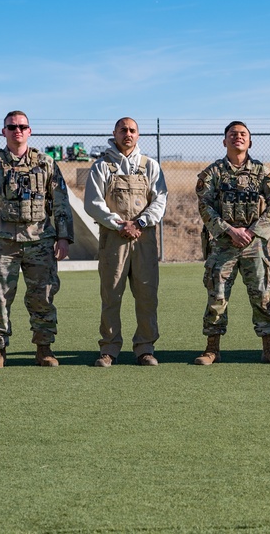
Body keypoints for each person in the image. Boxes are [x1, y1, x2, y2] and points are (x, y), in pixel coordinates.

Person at [0, 110, 74, 368]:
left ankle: (44, 348)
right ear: (3, 131)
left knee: (43, 295)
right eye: (12, 126)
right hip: (1, 242)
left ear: (30, 130)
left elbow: (60, 203)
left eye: (22, 126)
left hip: (40, 241)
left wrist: (64, 237)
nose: (18, 130)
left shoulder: (46, 163)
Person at [194, 121, 270, 365]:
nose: (238, 137)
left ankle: (269, 349)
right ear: (224, 141)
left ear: (250, 141)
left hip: (254, 244)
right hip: (224, 244)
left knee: (262, 296)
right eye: (232, 134)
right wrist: (229, 230)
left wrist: (253, 231)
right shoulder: (212, 173)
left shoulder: (263, 173)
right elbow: (204, 206)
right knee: (217, 296)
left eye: (243, 134)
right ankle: (212, 349)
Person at [84, 117, 168, 367]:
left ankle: (145, 348)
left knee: (146, 295)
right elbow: (93, 202)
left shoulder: (150, 166)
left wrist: (140, 223)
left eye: (132, 130)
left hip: (144, 237)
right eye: (123, 130)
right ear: (114, 133)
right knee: (111, 295)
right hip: (114, 239)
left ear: (138, 135)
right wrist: (119, 224)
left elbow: (160, 199)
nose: (127, 134)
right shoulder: (102, 166)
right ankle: (109, 349)